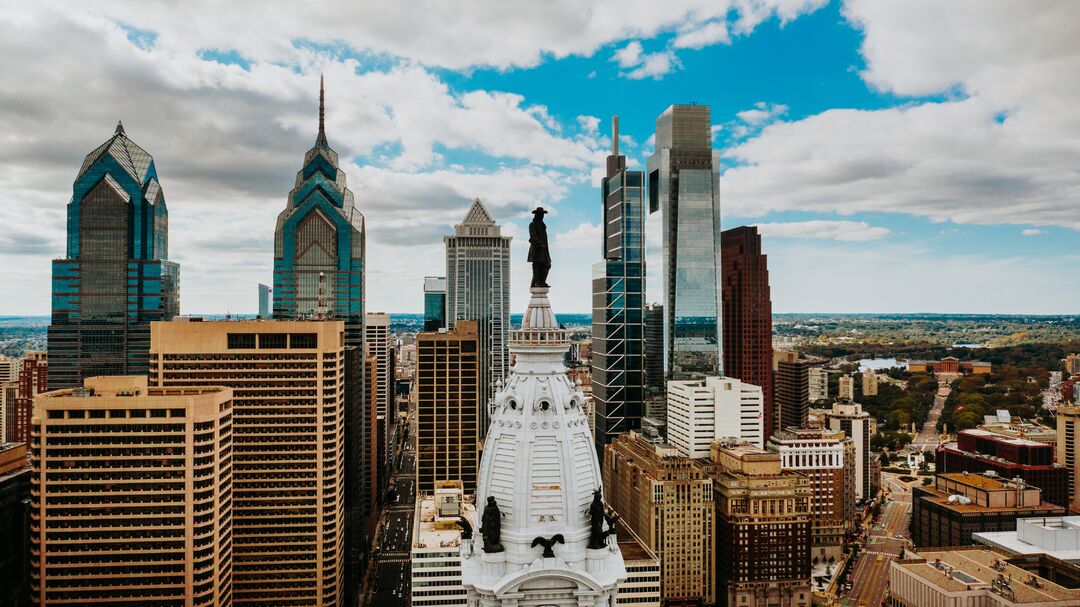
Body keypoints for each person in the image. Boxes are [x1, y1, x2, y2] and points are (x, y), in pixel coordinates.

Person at [528, 207, 551, 288]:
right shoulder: (532, 224)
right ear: (536, 215)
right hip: (537, 248)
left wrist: (544, 246)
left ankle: (541, 281)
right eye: (540, 214)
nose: (542, 216)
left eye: (543, 215)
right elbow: (533, 236)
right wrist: (540, 244)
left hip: (544, 249)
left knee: (547, 265)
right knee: (537, 265)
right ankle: (537, 282)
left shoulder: (542, 225)